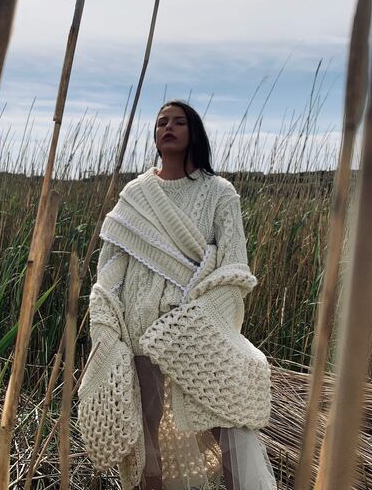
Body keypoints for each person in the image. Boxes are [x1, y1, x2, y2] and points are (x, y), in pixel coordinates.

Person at [78, 100, 277, 490]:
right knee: (148, 441)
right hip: (140, 329)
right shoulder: (136, 193)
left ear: (193, 132)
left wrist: (191, 321)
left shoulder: (220, 192)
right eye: (161, 122)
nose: (168, 127)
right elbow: (111, 266)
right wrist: (105, 317)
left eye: (178, 121)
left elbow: (235, 267)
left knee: (227, 423)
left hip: (196, 333)